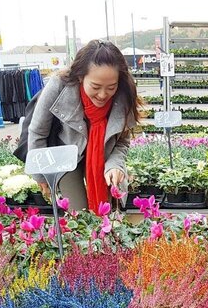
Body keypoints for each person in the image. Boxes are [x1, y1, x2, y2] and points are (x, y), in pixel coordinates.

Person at [28, 39, 142, 212]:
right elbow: (37, 132)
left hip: (103, 158)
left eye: (111, 87)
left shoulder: (123, 95)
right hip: (66, 155)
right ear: (80, 77)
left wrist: (115, 165)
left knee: (108, 212)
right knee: (78, 213)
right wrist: (40, 176)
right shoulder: (59, 86)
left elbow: (122, 142)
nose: (103, 95)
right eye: (95, 86)